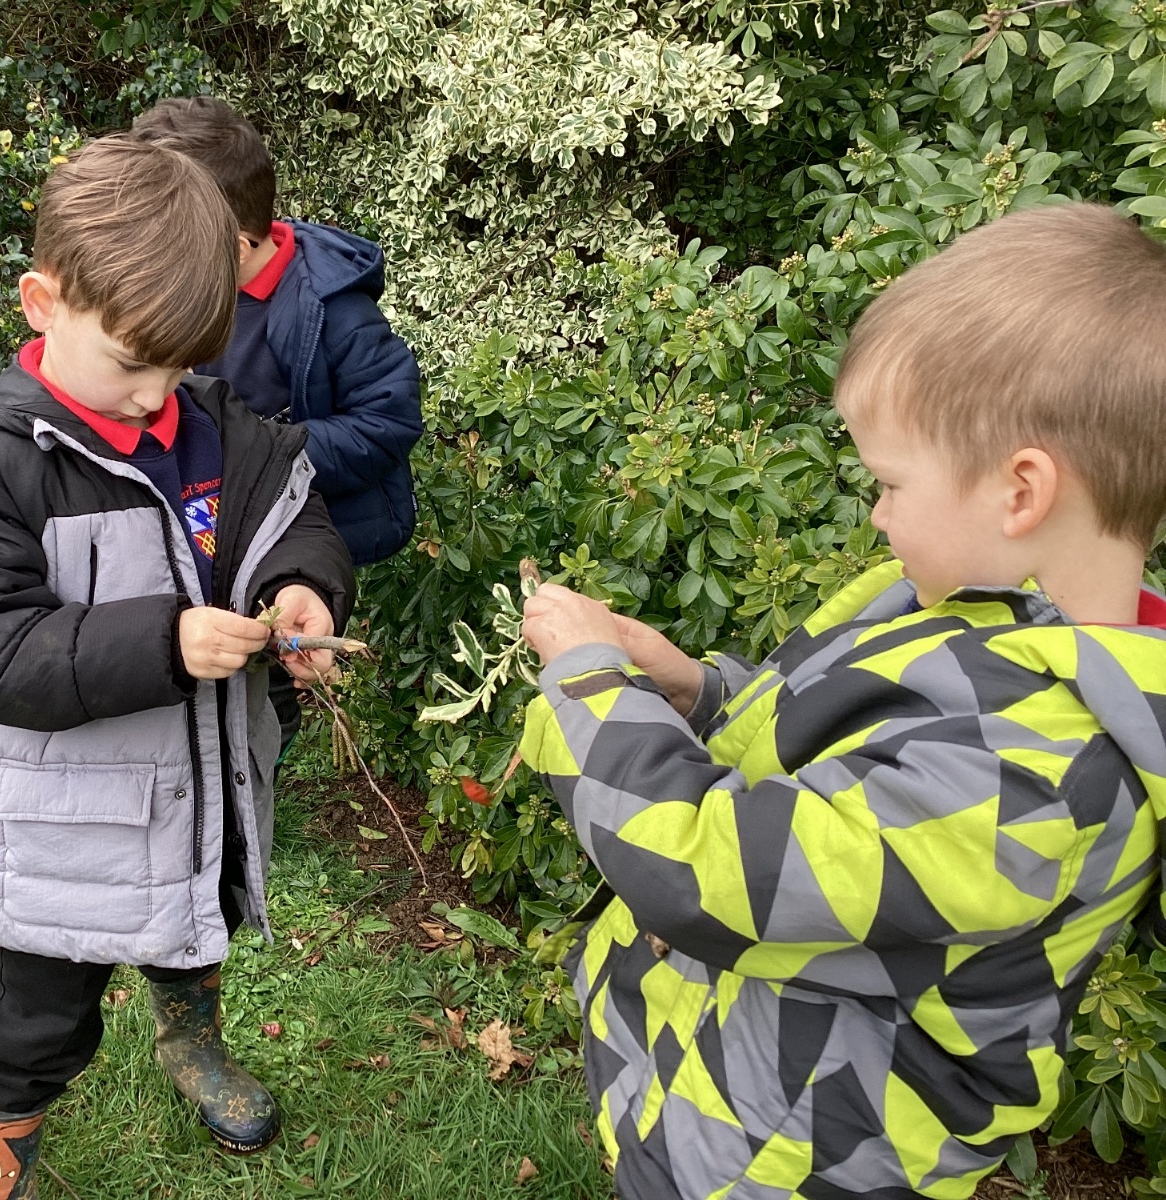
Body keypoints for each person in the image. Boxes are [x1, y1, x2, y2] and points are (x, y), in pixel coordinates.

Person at [517, 203, 1166, 1200]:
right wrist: (696, 689)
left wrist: (588, 682)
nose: (875, 512)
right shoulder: (971, 612)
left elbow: (704, 870)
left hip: (789, 1158)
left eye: (891, 483)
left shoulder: (1037, 776)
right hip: (728, 1089)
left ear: (1021, 492)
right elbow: (831, 751)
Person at [0, 136, 354, 1197]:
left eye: (180, 367)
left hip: (201, 785)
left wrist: (303, 587)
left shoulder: (215, 429)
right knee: (37, 1020)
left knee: (195, 931)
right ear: (43, 303)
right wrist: (162, 642)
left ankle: (190, 1044)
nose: (155, 395)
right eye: (130, 363)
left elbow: (293, 513)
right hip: (69, 827)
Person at [131, 96, 422, 749]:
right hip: (214, 515)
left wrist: (265, 454)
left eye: (171, 243)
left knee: (274, 648)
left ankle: (264, 741)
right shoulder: (195, 295)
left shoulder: (331, 310)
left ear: (234, 246)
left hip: (298, 521)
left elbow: (388, 418)